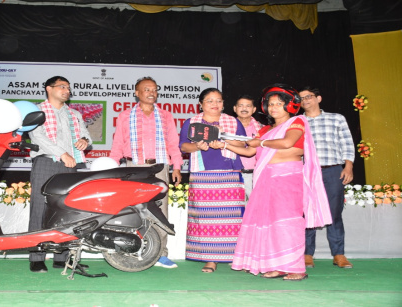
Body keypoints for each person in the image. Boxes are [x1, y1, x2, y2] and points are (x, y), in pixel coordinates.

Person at [228, 84, 332, 281]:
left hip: (288, 178)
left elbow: (287, 143)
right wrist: (224, 144)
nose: (274, 107)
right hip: (266, 178)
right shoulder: (266, 129)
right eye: (271, 104)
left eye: (279, 104)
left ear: (290, 106)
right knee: (269, 223)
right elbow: (249, 150)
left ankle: (296, 268)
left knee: (288, 223)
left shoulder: (297, 122)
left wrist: (261, 143)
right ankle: (276, 265)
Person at [110, 76, 183, 269]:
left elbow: (173, 145)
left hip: (159, 168)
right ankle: (133, 249)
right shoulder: (125, 116)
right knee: (132, 209)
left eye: (154, 89)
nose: (151, 93)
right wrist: (111, 167)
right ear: (137, 93)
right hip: (133, 168)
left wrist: (176, 167)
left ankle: (160, 254)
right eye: (147, 89)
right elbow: (118, 144)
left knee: (160, 211)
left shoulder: (166, 116)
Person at [28, 76, 92, 273]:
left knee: (67, 211)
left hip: (69, 166)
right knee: (40, 209)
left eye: (68, 88)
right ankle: (37, 257)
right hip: (46, 162)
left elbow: (87, 136)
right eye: (62, 87)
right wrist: (62, 153)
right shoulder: (37, 111)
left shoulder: (74, 114)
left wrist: (84, 141)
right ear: (49, 88)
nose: (67, 90)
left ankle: (62, 257)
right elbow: (37, 136)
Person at [179, 88, 247, 273]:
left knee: (232, 218)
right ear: (200, 104)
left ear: (223, 104)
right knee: (206, 219)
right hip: (202, 174)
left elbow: (243, 143)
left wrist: (225, 142)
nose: (214, 104)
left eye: (218, 100)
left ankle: (236, 257)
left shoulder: (232, 122)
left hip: (229, 174)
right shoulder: (191, 122)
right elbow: (183, 146)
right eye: (210, 101)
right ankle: (211, 259)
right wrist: (196, 146)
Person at [300, 86, 355, 269]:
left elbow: (347, 143)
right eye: (301, 98)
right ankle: (307, 254)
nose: (305, 100)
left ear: (318, 98)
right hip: (307, 171)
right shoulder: (298, 122)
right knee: (307, 212)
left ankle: (338, 254)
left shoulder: (336, 118)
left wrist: (348, 166)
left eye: (309, 96)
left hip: (333, 170)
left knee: (334, 212)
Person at [233, 95, 264, 201]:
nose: (244, 108)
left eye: (248, 106)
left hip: (255, 175)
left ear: (254, 109)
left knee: (256, 208)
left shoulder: (262, 129)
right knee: (235, 211)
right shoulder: (227, 128)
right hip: (233, 175)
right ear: (235, 108)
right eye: (240, 106)